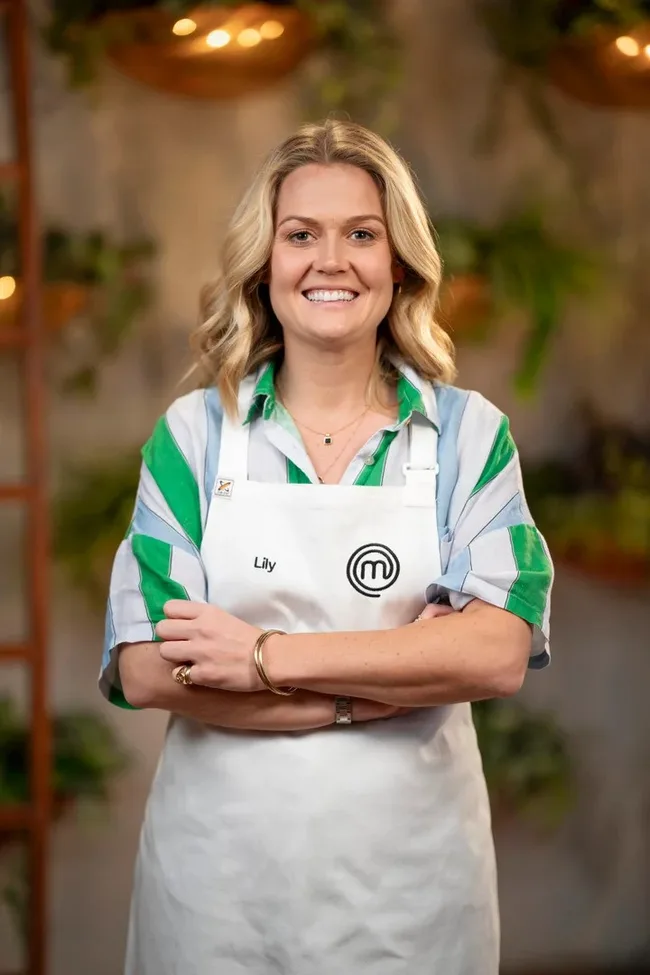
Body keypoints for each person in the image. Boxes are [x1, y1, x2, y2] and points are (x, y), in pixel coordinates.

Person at [101, 119, 554, 975]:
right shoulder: (194, 437)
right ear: (264, 266)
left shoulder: (468, 437)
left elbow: (495, 652)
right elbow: (147, 667)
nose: (330, 260)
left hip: (411, 891)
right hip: (216, 888)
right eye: (300, 235)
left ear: (399, 264)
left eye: (361, 234)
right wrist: (380, 683)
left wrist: (263, 654)